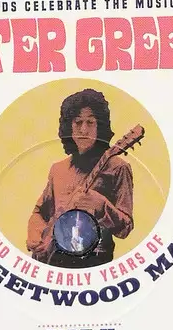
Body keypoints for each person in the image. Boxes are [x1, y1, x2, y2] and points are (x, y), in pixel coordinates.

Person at [26, 88, 134, 268]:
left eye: (90, 122)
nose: (84, 129)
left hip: (93, 264)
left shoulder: (118, 167)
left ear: (100, 126)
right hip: (51, 263)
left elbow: (126, 228)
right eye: (78, 122)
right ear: (69, 126)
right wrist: (34, 233)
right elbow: (40, 211)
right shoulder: (58, 169)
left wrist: (101, 205)